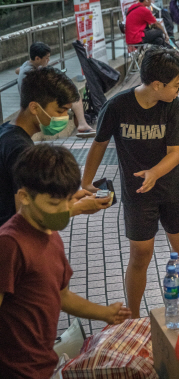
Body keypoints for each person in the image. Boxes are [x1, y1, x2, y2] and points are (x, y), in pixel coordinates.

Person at [82, 47, 179, 318]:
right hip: (137, 194)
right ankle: (131, 316)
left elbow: (175, 153)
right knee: (141, 254)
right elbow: (99, 145)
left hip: (171, 190)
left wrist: (154, 172)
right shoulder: (117, 106)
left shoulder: (173, 106)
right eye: (176, 85)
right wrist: (86, 183)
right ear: (157, 84)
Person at [0, 144, 131, 378]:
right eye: (53, 204)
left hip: (43, 364)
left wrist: (105, 313)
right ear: (24, 197)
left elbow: (62, 296)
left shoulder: (52, 234)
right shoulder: (9, 244)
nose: (63, 210)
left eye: (68, 200)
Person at [0, 67, 112, 228]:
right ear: (35, 108)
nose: (64, 117)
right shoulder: (20, 149)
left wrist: (67, 200)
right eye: (60, 111)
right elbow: (26, 219)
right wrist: (77, 208)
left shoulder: (6, 131)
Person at [16, 42, 95, 138]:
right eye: (46, 58)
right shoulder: (33, 73)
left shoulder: (26, 65)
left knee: (71, 93)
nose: (48, 60)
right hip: (36, 100)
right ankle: (82, 124)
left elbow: (17, 70)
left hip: (33, 97)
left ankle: (81, 124)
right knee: (73, 96)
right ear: (37, 58)